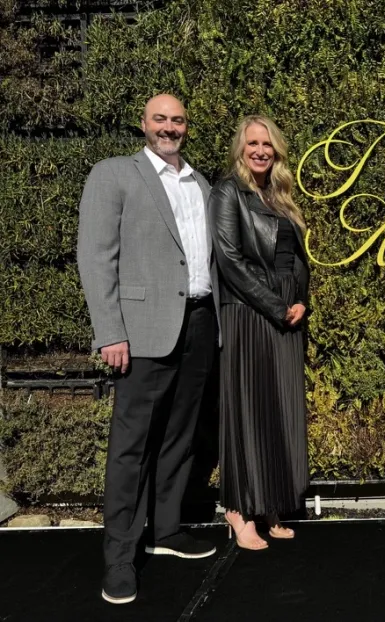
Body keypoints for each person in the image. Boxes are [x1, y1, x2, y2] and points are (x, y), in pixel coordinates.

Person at [77, 94, 219, 605]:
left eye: (177, 119)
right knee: (131, 448)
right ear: (144, 124)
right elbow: (96, 259)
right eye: (160, 119)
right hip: (141, 333)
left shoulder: (199, 183)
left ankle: (165, 531)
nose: (169, 127)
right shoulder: (114, 175)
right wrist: (111, 331)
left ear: (186, 127)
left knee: (179, 437)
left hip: (200, 326)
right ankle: (119, 557)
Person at [209, 115, 311, 550]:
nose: (260, 151)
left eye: (267, 144)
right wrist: (274, 305)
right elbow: (229, 260)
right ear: (241, 147)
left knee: (279, 407)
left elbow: (296, 256)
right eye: (252, 143)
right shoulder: (227, 191)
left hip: (287, 312)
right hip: (250, 311)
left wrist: (301, 300)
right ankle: (238, 508)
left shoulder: (280, 194)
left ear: (277, 149)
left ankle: (269, 502)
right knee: (248, 408)